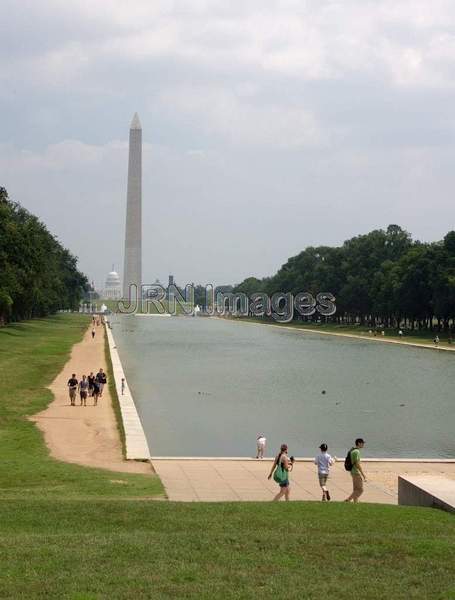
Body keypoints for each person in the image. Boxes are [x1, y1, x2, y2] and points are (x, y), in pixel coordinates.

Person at [345, 438, 366, 503]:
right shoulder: (357, 452)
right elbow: (357, 464)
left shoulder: (353, 450)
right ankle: (348, 500)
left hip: (352, 472)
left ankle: (355, 502)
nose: (363, 444)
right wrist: (363, 474)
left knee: (356, 489)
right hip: (356, 472)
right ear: (359, 443)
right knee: (360, 490)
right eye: (362, 443)